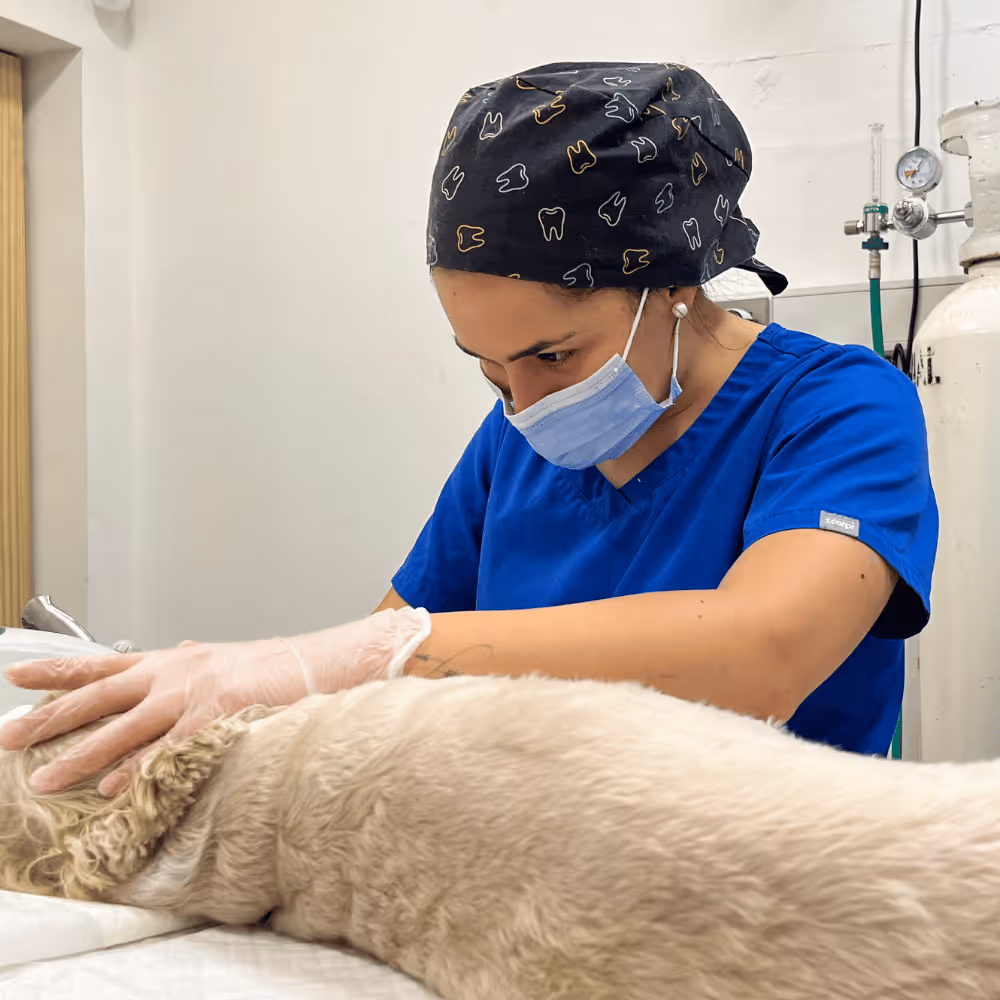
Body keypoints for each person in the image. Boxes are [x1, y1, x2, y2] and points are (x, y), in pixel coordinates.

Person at [0, 61, 936, 798]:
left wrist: (378, 655)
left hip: (778, 892)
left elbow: (761, 655)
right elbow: (393, 655)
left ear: (676, 285)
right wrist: (253, 693)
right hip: (536, 872)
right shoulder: (518, 442)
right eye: (486, 368)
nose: (523, 405)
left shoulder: (837, 409)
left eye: (554, 357)